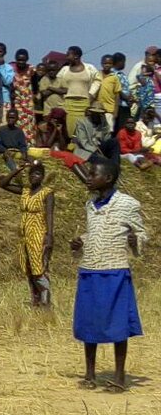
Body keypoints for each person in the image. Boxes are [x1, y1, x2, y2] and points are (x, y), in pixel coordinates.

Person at [70, 156, 146, 392]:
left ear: (109, 178)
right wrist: (81, 242)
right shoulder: (90, 205)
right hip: (90, 270)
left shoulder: (128, 204)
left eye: (93, 174)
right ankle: (90, 374)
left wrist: (135, 241)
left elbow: (141, 232)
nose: (88, 177)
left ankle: (119, 377)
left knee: (117, 323)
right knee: (88, 322)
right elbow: (94, 232)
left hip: (115, 271)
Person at [0, 161, 54, 307]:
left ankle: (45, 301)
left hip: (38, 233)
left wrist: (49, 235)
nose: (34, 176)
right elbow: (3, 184)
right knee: (28, 268)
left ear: (42, 177)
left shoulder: (47, 192)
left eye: (38, 174)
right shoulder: (25, 191)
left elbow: (49, 214)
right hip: (24, 234)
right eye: (32, 174)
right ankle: (35, 300)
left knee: (39, 267)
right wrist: (17, 169)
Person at [57, 46, 100, 138]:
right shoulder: (64, 70)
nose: (66, 57)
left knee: (83, 130)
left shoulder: (90, 68)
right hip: (68, 104)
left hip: (84, 103)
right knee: (70, 130)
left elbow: (97, 80)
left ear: (76, 56)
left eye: (68, 55)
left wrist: (91, 93)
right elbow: (57, 83)